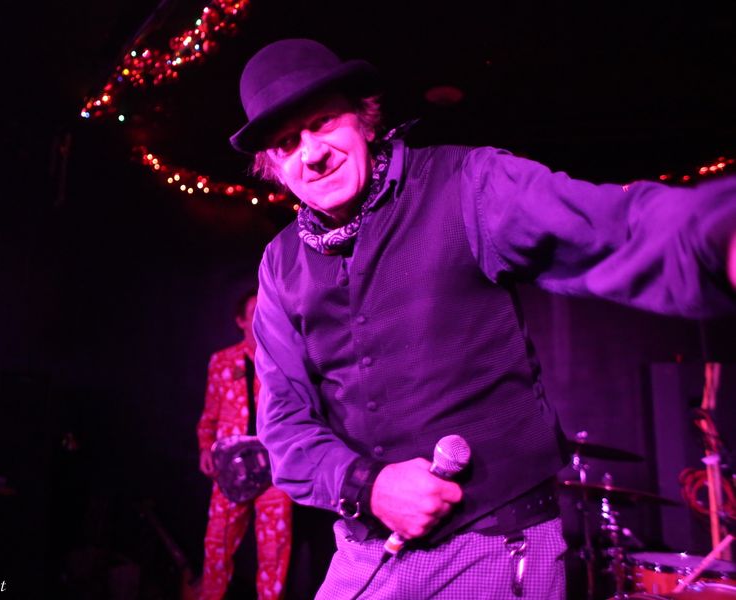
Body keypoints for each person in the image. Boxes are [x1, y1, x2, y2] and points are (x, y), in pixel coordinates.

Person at [228, 38, 736, 599]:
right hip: (362, 553)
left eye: (322, 123)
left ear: (364, 120)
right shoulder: (279, 263)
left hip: (495, 545)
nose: (311, 153)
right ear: (274, 167)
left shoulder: (469, 183)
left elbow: (611, 227)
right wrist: (367, 487)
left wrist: (718, 235)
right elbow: (286, 427)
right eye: (286, 143)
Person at [196, 289, 292, 600]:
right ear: (240, 320)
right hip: (230, 468)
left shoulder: (284, 360)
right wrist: (205, 447)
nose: (260, 318)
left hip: (274, 468)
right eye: (253, 313)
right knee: (217, 546)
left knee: (275, 552)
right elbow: (210, 413)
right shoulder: (222, 362)